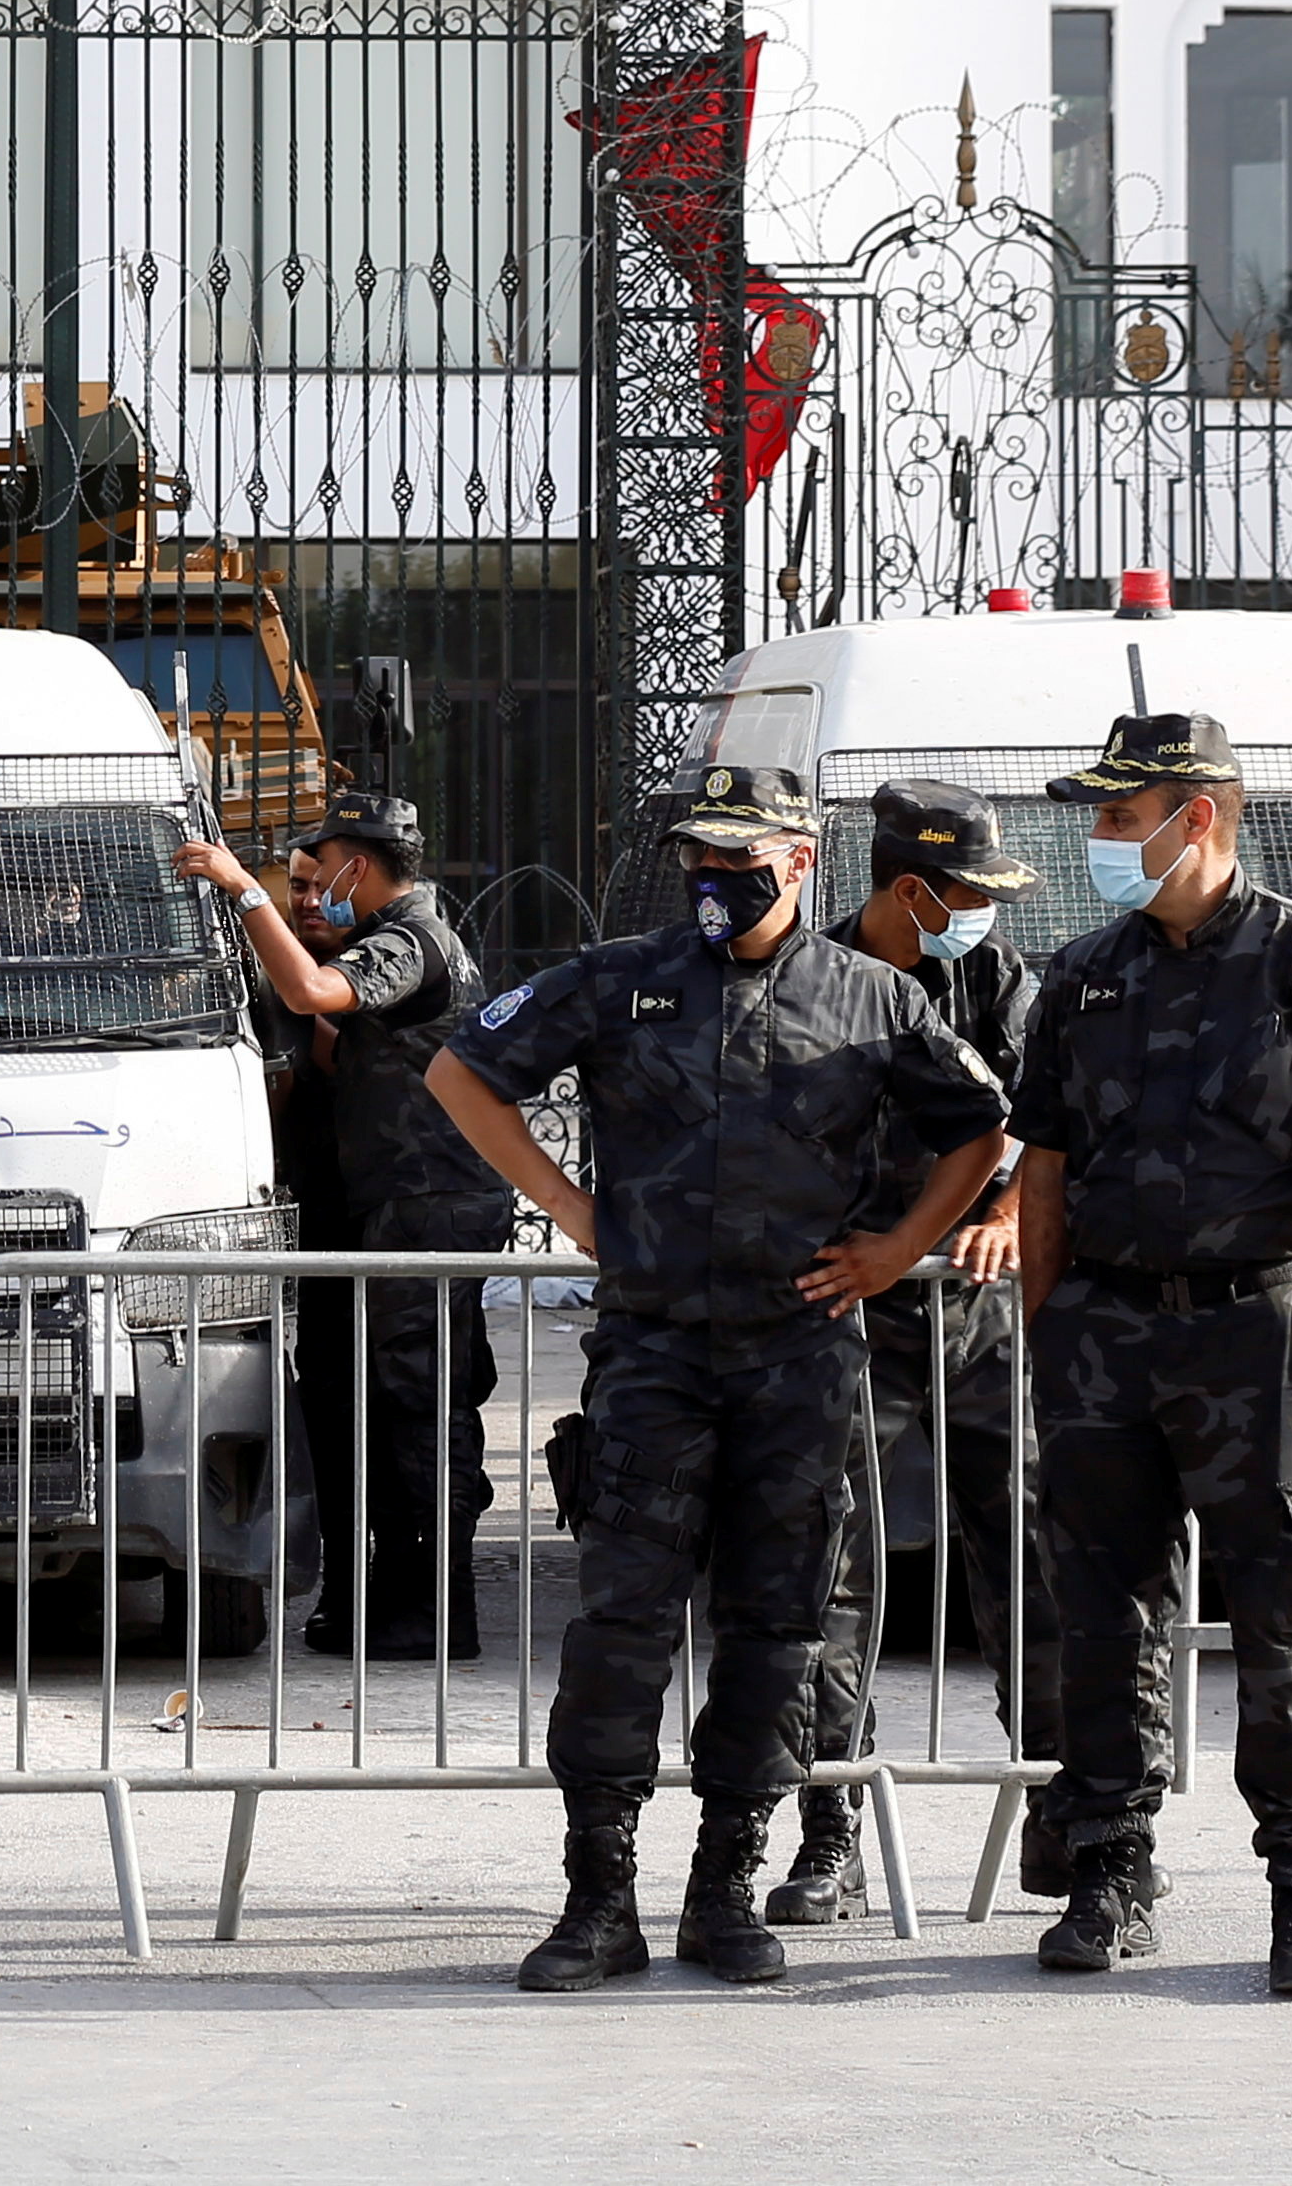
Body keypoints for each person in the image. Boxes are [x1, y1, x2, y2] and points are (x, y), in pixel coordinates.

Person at [426, 761, 1009, 1991]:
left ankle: (724, 1888)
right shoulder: (623, 975)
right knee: (619, 1626)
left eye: (743, 853)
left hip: (798, 1358)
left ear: (799, 858)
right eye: (700, 849)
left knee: (775, 1629)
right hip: (651, 1352)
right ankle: (596, 1897)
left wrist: (902, 1246)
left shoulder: (873, 996)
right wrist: (569, 1206)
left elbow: (983, 1123)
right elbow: (459, 1071)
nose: (717, 872)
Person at [1007, 709, 1292, 2000]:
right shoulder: (1078, 975)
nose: (1098, 841)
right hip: (1103, 1333)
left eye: (1119, 818)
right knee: (1098, 1619)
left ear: (1199, 817)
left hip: (1263, 1328)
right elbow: (1044, 1168)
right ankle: (1107, 1875)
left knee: (1283, 1621)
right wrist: (1041, 1325)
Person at [773, 776, 1073, 1928]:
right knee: (829, 1567)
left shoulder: (994, 979)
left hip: (975, 1311)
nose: (986, 910)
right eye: (968, 891)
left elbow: (1035, 1120)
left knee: (1029, 1559)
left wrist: (997, 1212)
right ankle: (830, 1832)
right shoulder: (807, 979)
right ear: (909, 887)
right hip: (845, 1308)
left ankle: (1057, 1809)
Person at [179, 794, 499, 1659]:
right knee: (384, 1404)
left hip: (425, 1204)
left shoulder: (408, 936)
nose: (308, 895)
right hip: (392, 1203)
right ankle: (386, 1600)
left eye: (321, 875)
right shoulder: (392, 938)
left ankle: (432, 1610)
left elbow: (314, 990)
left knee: (418, 1408)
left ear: (361, 861)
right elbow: (333, 1044)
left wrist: (244, 891)